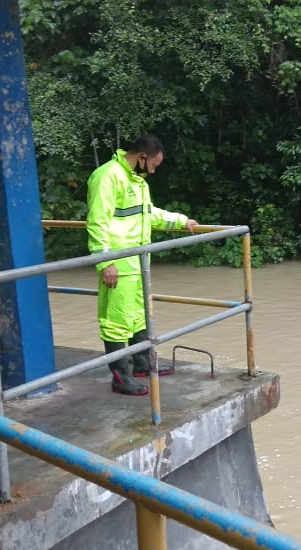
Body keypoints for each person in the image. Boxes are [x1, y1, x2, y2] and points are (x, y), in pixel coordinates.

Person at [86, 134, 197, 395]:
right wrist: (105, 262)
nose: (154, 171)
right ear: (142, 157)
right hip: (119, 263)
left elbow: (150, 214)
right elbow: (97, 221)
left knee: (137, 317)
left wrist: (181, 221)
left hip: (138, 263)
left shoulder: (137, 181)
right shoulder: (107, 176)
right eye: (154, 165)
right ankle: (120, 378)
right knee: (116, 321)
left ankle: (142, 364)